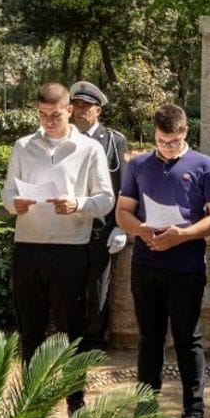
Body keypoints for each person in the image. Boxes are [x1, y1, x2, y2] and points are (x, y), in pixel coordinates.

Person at [116, 103, 210, 418]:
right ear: (154, 133)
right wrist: (139, 229)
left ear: (185, 133)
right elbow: (123, 211)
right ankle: (145, 411)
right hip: (146, 263)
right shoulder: (138, 165)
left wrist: (185, 234)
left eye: (173, 141)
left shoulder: (205, 165)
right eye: (161, 141)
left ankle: (193, 413)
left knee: (187, 338)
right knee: (149, 339)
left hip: (186, 266)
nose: (167, 147)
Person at [1, 82, 114, 413]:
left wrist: (78, 204)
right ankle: (30, 405)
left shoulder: (89, 149)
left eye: (55, 115)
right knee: (31, 330)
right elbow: (7, 192)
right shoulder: (23, 146)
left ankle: (75, 403)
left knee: (71, 331)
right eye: (42, 115)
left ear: (69, 110)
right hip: (28, 247)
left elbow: (106, 199)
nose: (48, 121)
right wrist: (14, 204)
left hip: (70, 250)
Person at [69, 81, 129, 353]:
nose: (81, 111)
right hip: (69, 225)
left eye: (87, 106)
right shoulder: (65, 139)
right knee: (69, 286)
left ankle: (94, 343)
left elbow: (123, 186)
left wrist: (120, 226)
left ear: (98, 110)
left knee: (98, 289)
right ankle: (71, 341)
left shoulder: (113, 141)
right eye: (77, 105)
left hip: (101, 227)